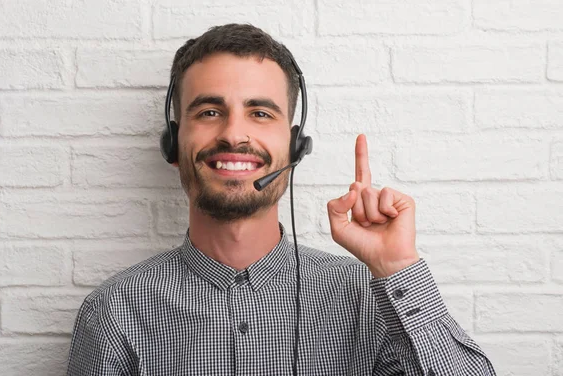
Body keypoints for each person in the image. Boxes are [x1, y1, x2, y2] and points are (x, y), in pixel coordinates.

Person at [67, 23, 496, 375]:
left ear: (294, 147)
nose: (234, 134)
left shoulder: (369, 297)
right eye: (209, 112)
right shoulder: (113, 314)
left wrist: (398, 269)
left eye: (260, 113)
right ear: (172, 145)